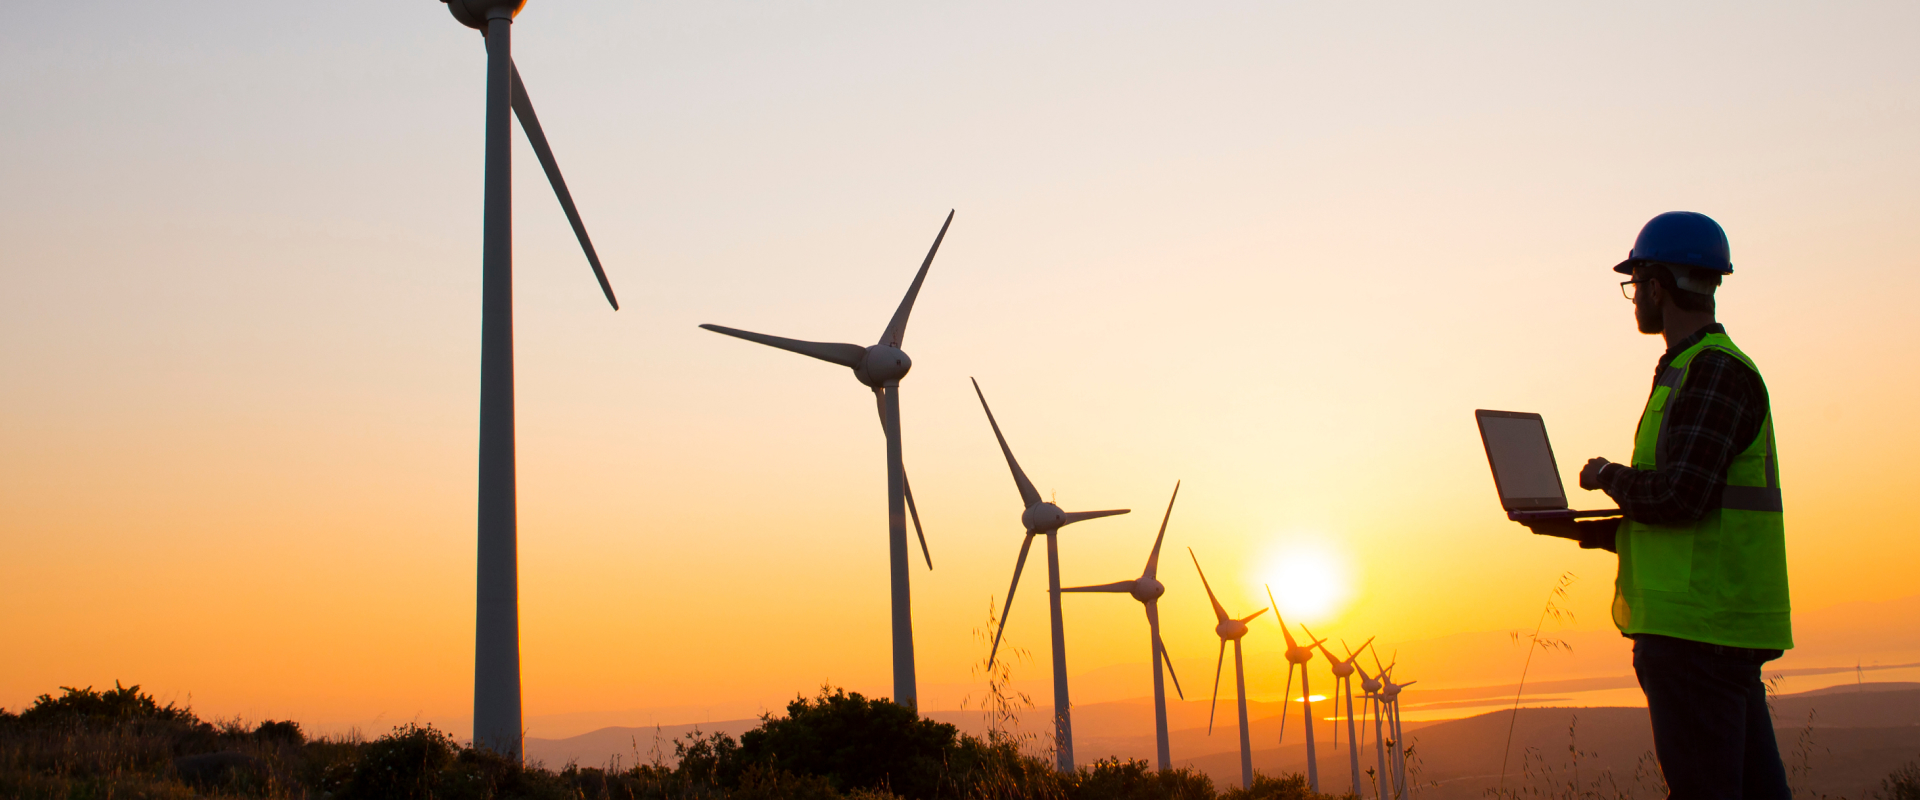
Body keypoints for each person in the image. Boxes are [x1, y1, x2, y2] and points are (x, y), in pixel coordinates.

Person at [1525, 211, 1792, 799]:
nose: (1635, 297)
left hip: (1698, 635)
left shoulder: (1712, 372)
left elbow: (1678, 497)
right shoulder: (1694, 369)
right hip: (1712, 633)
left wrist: (1604, 476)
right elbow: (1684, 511)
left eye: (1637, 283)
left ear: (1660, 285)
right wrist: (1575, 530)